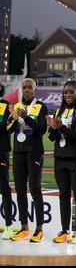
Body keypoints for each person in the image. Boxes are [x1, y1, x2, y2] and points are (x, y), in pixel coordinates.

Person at [8, 78, 48, 242]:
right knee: (20, 189)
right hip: (18, 152)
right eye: (24, 87)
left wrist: (27, 118)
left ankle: (39, 229)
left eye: (29, 87)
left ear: (35, 89)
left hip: (34, 152)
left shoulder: (41, 107)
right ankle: (24, 227)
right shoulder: (17, 106)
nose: (26, 90)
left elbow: (42, 129)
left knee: (35, 188)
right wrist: (14, 119)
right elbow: (10, 129)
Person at [47, 81, 76, 244]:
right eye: (65, 92)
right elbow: (51, 137)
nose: (68, 95)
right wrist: (54, 129)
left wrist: (61, 127)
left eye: (71, 92)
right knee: (63, 195)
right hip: (60, 159)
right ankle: (64, 230)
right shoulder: (58, 111)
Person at [0, 82, 14, 239]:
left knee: (4, 188)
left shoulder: (6, 106)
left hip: (1, 151)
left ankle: (9, 225)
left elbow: (6, 128)